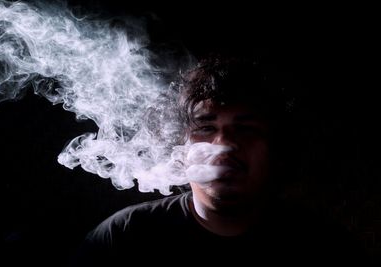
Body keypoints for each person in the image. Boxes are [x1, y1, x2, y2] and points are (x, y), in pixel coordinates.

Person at [71, 54, 365, 265]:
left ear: (276, 147)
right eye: (206, 128)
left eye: (246, 129)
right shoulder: (122, 238)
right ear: (181, 146)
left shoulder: (326, 250)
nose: (223, 145)